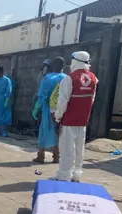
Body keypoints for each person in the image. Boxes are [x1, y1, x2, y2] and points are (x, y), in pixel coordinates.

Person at [50, 51, 98, 182]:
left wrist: (58, 118)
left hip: (69, 120)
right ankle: (76, 174)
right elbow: (92, 100)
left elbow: (63, 101)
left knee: (67, 149)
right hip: (83, 120)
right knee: (79, 148)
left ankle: (64, 175)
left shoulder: (69, 78)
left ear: (75, 61)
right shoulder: (94, 78)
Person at [32, 57, 66, 164]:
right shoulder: (66, 78)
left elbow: (42, 96)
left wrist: (36, 108)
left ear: (52, 67)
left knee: (44, 130)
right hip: (62, 109)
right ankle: (56, 156)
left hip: (47, 109)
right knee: (58, 132)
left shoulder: (47, 78)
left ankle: (41, 155)